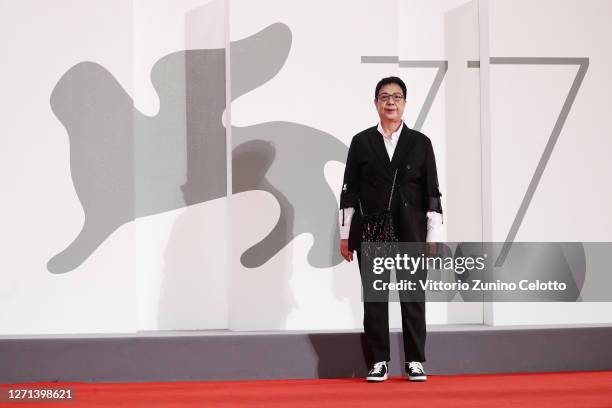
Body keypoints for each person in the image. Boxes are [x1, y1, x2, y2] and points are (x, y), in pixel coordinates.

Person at [339, 76, 443, 382]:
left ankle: (415, 361)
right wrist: (345, 236)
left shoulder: (421, 143)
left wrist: (433, 236)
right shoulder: (361, 142)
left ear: (405, 103)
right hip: (372, 231)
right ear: (375, 103)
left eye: (397, 97)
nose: (390, 102)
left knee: (413, 296)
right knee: (375, 298)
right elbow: (348, 191)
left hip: (411, 230)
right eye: (384, 97)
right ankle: (379, 361)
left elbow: (432, 192)